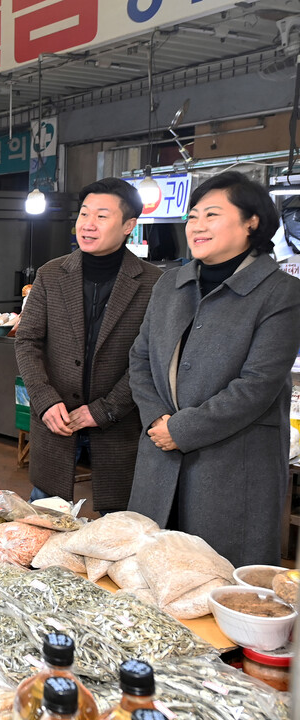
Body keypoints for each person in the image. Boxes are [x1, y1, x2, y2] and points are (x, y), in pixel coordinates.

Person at [128, 172, 300, 566]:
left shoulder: (281, 293)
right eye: (193, 216)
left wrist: (182, 429)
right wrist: (158, 419)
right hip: (159, 451)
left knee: (218, 579)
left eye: (212, 214)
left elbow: (257, 385)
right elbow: (139, 359)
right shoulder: (169, 285)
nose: (197, 225)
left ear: (251, 221)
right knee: (151, 575)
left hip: (232, 464)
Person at [15, 178, 162, 512]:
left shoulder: (154, 284)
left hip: (118, 426)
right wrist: (43, 399)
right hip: (56, 421)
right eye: (84, 214)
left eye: (102, 216)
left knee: (120, 527)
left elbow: (153, 358)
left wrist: (105, 409)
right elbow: (27, 340)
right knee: (43, 519)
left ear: (129, 225)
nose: (88, 225)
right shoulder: (51, 274)